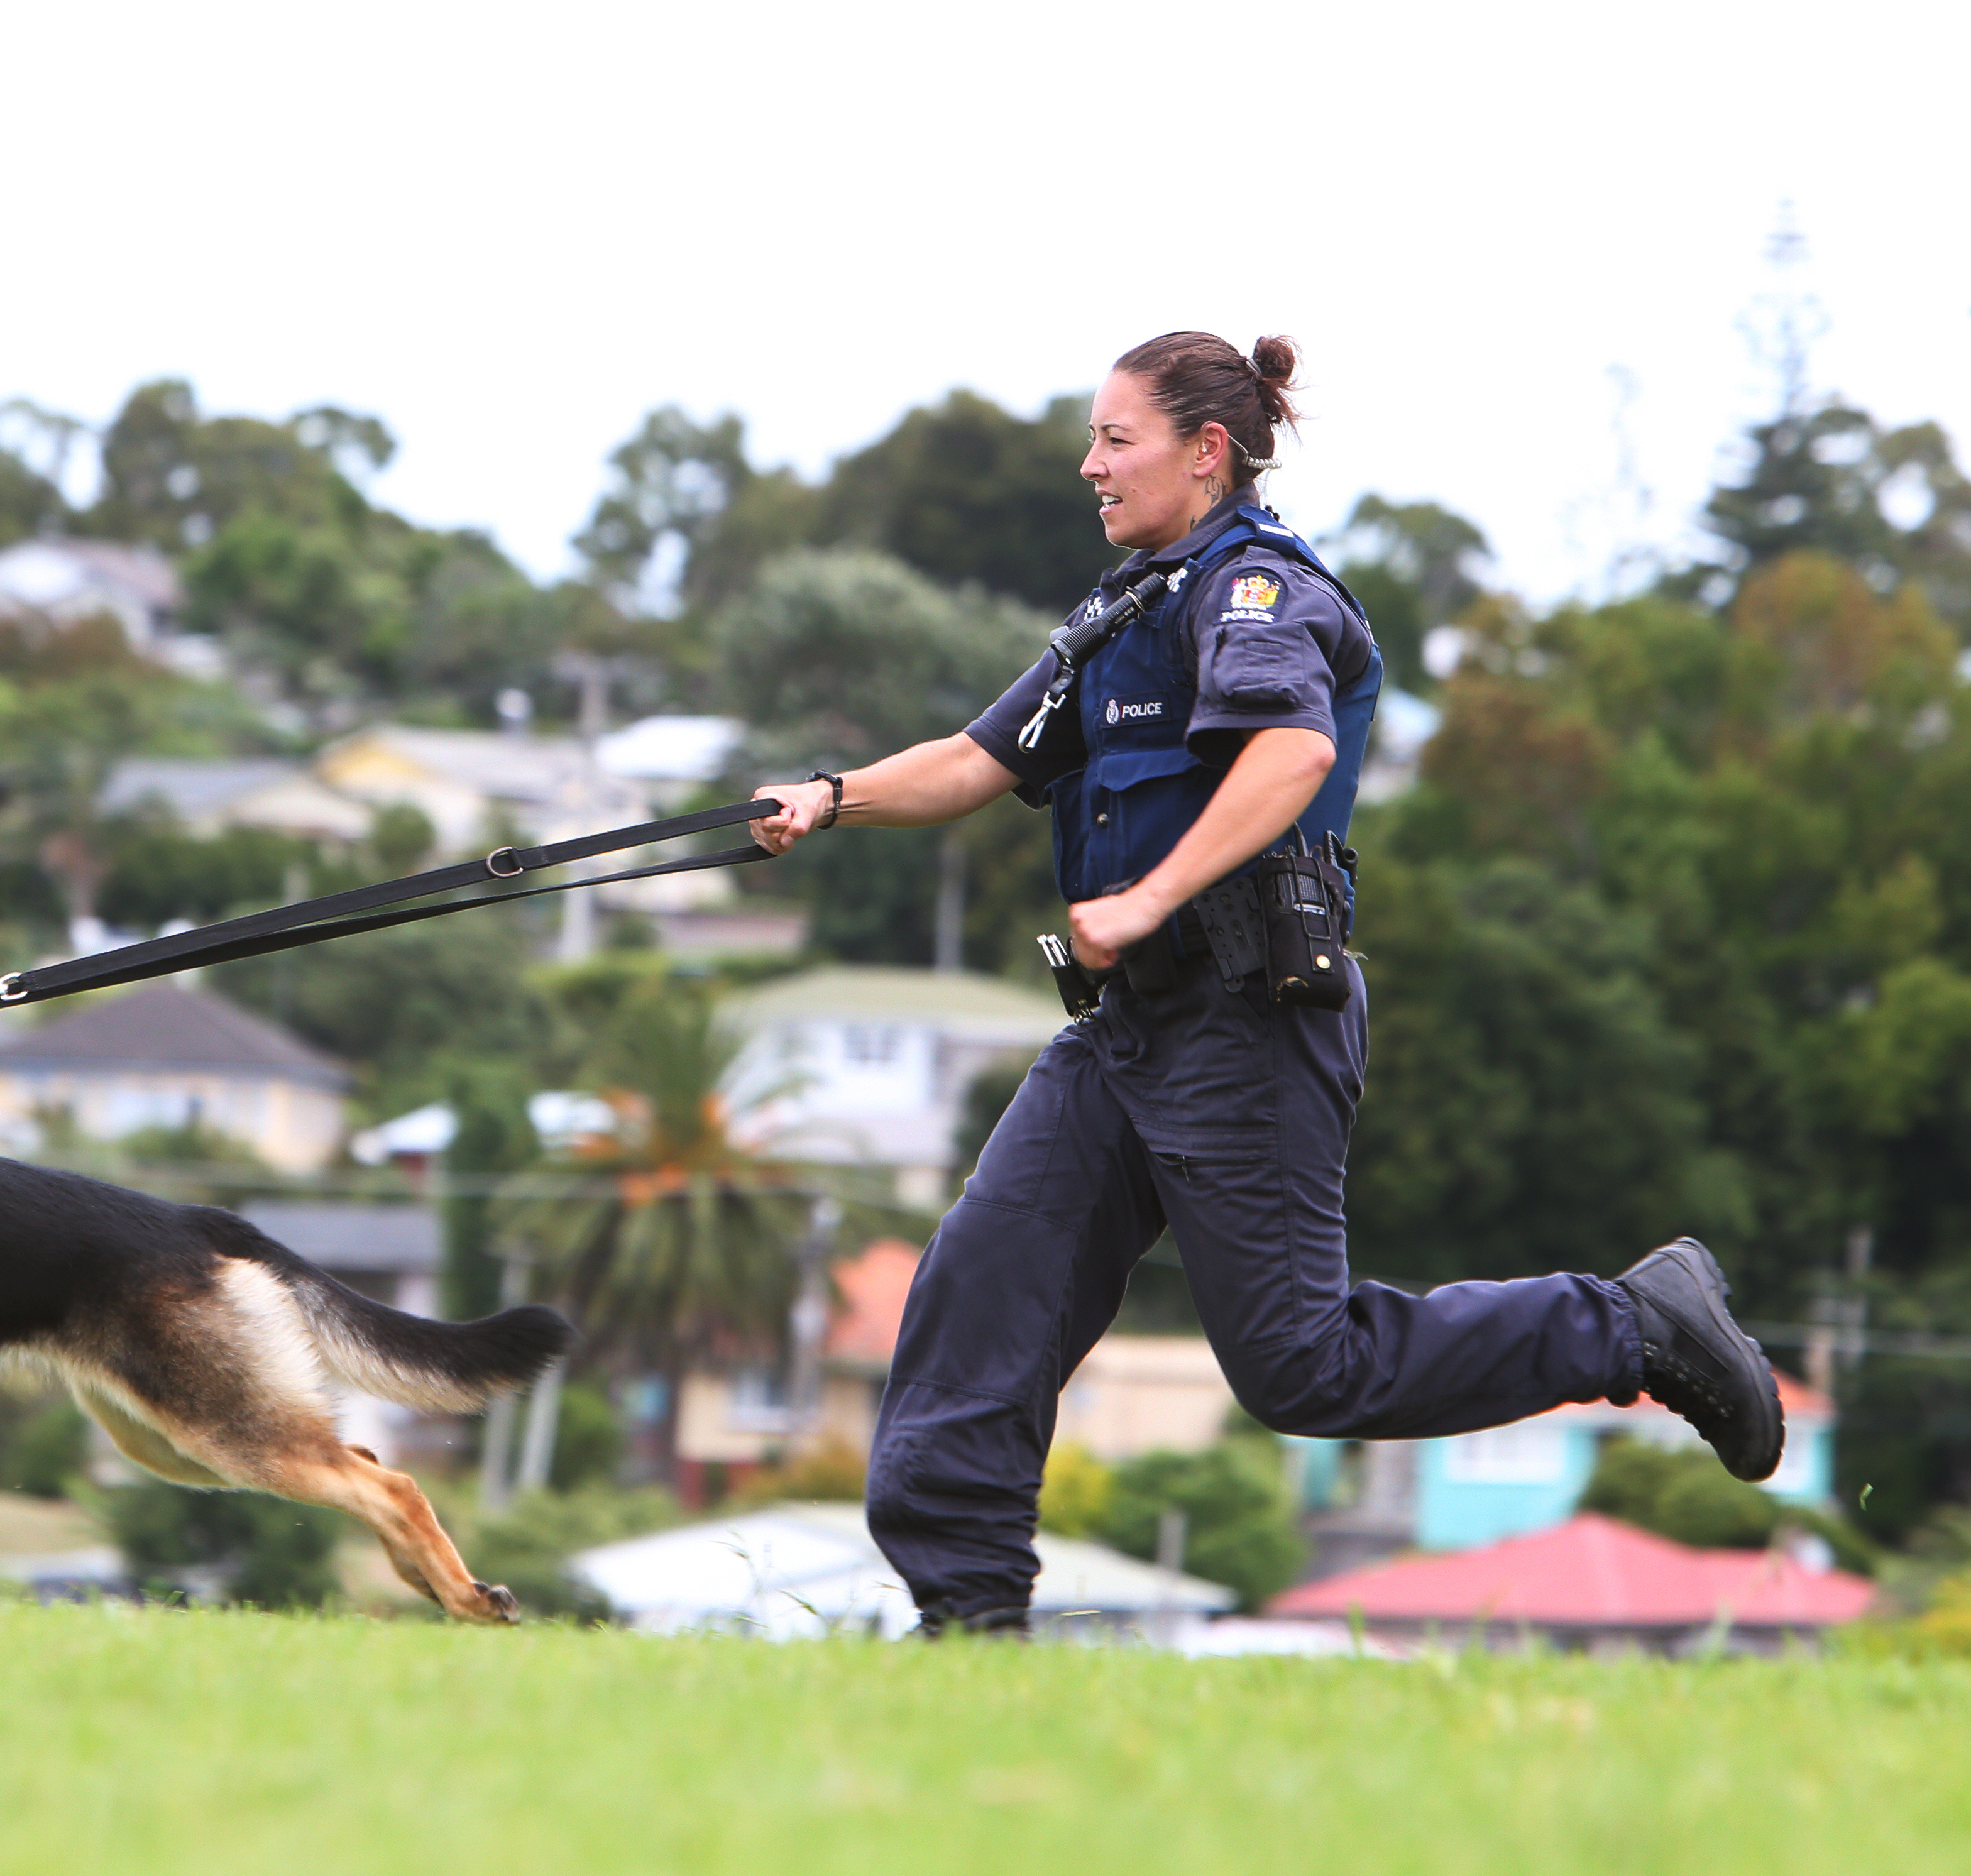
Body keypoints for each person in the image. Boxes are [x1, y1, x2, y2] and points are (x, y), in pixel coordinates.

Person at [749, 331, 1784, 1637]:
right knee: (978, 1288)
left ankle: (1631, 1325)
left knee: (1304, 1366)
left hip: (1245, 1025)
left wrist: (1145, 895)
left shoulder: (1255, 595)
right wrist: (828, 797)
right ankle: (969, 1632)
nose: (1088, 465)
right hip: (1126, 1033)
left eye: (1114, 439)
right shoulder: (1122, 613)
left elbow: (1289, 750)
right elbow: (973, 757)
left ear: (1206, 450)